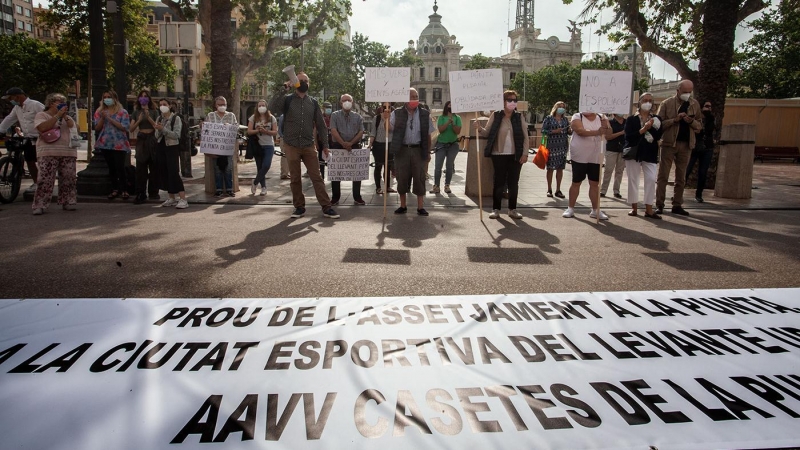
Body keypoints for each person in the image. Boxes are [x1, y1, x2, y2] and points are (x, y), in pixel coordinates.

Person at [268, 72, 338, 219]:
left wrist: (325, 144)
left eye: (306, 80)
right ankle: (299, 207)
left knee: (316, 177)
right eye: (300, 80)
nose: (304, 83)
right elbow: (272, 107)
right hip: (291, 144)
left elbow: (321, 125)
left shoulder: (313, 102)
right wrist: (285, 88)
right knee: (295, 178)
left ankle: (326, 207)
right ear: (295, 82)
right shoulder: (287, 100)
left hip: (308, 145)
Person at [474, 90, 529, 219]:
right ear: (503, 102)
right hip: (498, 154)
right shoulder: (496, 115)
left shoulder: (518, 116)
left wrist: (525, 153)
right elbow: (487, 133)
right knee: (498, 182)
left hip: (515, 154)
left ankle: (512, 209)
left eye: (515, 100)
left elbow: (525, 137)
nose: (512, 103)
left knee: (513, 182)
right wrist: (479, 128)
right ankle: (496, 209)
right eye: (510, 100)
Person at [655, 79, 703, 216]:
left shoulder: (694, 104)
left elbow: (699, 126)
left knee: (681, 177)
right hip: (669, 144)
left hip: (687, 144)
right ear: (678, 90)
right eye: (685, 92)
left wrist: (691, 121)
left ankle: (677, 204)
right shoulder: (667, 103)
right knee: (663, 175)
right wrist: (675, 120)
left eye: (690, 92)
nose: (687, 94)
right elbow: (658, 125)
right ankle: (660, 204)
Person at [388, 88, 434, 216]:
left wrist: (428, 152)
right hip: (402, 150)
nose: (414, 99)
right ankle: (403, 206)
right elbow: (389, 129)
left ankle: (420, 207)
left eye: (416, 96)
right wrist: (385, 119)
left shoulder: (425, 114)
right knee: (401, 177)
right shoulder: (396, 113)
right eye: (411, 97)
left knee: (420, 178)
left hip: (418, 150)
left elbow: (428, 135)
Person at [31, 93, 77, 215]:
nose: (62, 103)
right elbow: (42, 128)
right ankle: (40, 204)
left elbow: (74, 127)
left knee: (68, 178)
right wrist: (57, 116)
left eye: (63, 101)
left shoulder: (68, 117)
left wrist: (65, 116)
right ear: (50, 103)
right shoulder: (42, 115)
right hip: (47, 151)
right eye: (58, 101)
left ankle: (68, 201)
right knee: (45, 179)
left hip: (68, 151)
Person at [562, 111, 611, 220]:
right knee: (576, 182)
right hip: (580, 155)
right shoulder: (577, 116)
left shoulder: (602, 117)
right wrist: (597, 132)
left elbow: (609, 134)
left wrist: (606, 126)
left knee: (594, 183)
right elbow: (580, 131)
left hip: (596, 155)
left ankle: (595, 210)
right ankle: (570, 208)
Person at [624, 93, 663, 219]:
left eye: (650, 101)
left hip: (650, 153)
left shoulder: (656, 119)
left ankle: (649, 209)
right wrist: (643, 129)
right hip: (634, 153)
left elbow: (658, 135)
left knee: (651, 179)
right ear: (640, 102)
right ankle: (634, 208)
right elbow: (629, 136)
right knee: (633, 180)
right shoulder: (631, 119)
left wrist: (650, 128)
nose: (648, 103)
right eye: (645, 100)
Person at [0, 87, 44, 188]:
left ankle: (44, 183)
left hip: (41, 138)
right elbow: (9, 119)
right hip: (28, 138)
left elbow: (47, 116)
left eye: (10, 98)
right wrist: (0, 130)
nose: (9, 100)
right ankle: (36, 183)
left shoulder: (35, 105)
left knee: (42, 162)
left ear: (18, 97)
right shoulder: (17, 108)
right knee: (30, 161)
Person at [94, 90, 131, 200]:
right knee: (112, 168)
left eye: (109, 97)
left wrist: (110, 118)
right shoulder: (99, 111)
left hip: (119, 143)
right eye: (104, 97)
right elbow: (97, 127)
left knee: (120, 167)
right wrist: (103, 117)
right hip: (105, 143)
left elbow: (124, 127)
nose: (106, 99)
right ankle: (115, 189)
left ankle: (124, 189)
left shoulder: (122, 112)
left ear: (114, 98)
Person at [329, 94, 365, 205]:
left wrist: (351, 143)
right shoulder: (334, 115)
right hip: (338, 146)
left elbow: (361, 131)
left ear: (352, 102)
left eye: (349, 100)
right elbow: (333, 130)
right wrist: (343, 143)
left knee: (356, 172)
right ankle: (335, 197)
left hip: (353, 145)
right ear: (340, 103)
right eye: (344, 100)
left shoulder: (358, 117)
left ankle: (357, 196)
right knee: (336, 172)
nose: (347, 102)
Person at [154, 98, 188, 209]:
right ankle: (171, 197)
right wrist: (158, 129)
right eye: (160, 104)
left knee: (173, 172)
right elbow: (156, 136)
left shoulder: (176, 118)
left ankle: (183, 199)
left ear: (169, 106)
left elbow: (176, 135)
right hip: (161, 146)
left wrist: (163, 129)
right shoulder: (159, 118)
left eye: (164, 104)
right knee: (164, 171)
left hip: (172, 147)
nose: (162, 106)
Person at [129, 89, 160, 204]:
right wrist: (140, 120)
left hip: (152, 138)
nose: (143, 98)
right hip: (141, 139)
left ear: (149, 98)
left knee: (154, 167)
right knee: (141, 168)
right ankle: (140, 192)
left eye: (145, 96)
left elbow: (157, 126)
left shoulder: (154, 111)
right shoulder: (136, 112)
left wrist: (149, 117)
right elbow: (131, 128)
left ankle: (153, 192)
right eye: (141, 96)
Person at [205, 96, 238, 197]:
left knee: (228, 168)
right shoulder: (210, 115)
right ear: (216, 105)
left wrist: (230, 127)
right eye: (220, 104)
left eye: (224, 104)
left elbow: (236, 128)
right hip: (215, 147)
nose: (222, 106)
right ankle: (218, 189)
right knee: (217, 168)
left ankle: (229, 189)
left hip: (227, 146)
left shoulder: (231, 115)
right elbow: (206, 129)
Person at [686, 100, 716, 203]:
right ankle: (678, 193)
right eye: (707, 106)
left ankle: (699, 195)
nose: (709, 108)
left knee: (703, 172)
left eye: (710, 107)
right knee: (686, 170)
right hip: (695, 147)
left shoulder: (711, 118)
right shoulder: (694, 118)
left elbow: (709, 131)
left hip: (707, 148)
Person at [247, 100, 277, 196]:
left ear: (266, 107)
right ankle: (263, 187)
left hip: (268, 145)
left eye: (263, 105)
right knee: (260, 167)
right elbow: (249, 131)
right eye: (259, 105)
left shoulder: (272, 118)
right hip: (257, 145)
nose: (261, 107)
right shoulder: (253, 118)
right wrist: (257, 130)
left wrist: (266, 131)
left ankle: (255, 182)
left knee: (266, 165)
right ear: (257, 107)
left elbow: (275, 132)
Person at [430, 100, 462, 194]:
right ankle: (436, 186)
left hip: (453, 145)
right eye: (449, 105)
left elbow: (457, 131)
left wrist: (453, 123)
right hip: (441, 145)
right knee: (438, 166)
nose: (451, 107)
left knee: (449, 167)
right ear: (446, 107)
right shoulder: (441, 117)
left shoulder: (457, 118)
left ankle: (447, 185)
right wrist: (448, 122)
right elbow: (440, 130)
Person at [541, 101, 570, 198]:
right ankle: (549, 189)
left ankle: (558, 190)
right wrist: (554, 131)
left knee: (560, 169)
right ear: (555, 108)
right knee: (550, 169)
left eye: (563, 107)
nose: (562, 108)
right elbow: (543, 130)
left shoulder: (565, 120)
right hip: (551, 147)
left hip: (562, 147)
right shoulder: (549, 118)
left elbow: (568, 132)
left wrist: (570, 130)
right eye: (560, 107)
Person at [369, 103, 396, 195]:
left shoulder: (393, 118)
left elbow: (392, 129)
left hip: (390, 145)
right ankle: (378, 187)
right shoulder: (376, 118)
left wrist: (387, 119)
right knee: (378, 166)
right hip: (378, 145)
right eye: (384, 107)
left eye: (389, 107)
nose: (386, 109)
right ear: (381, 108)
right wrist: (370, 144)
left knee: (388, 167)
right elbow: (373, 132)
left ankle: (387, 186)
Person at [600, 113, 627, 198]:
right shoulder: (610, 122)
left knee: (619, 171)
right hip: (612, 149)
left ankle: (616, 191)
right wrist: (621, 133)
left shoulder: (627, 122)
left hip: (623, 149)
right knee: (608, 170)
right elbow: (608, 137)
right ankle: (603, 190)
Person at [172, 101, 192, 178]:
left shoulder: (179, 120)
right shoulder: (175, 119)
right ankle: (183, 172)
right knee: (179, 159)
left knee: (181, 158)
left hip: (181, 142)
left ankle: (183, 172)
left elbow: (185, 132)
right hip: (178, 142)